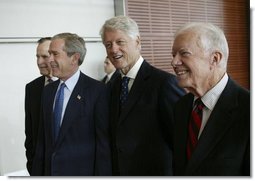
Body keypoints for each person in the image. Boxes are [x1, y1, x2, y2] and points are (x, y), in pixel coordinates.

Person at [99, 16, 185, 176]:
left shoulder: (164, 83)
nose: (113, 50)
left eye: (120, 42)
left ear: (137, 41)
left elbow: (182, 141)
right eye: (108, 45)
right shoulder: (112, 85)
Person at [171, 22, 250, 176]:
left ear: (214, 58)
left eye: (184, 53)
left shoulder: (248, 109)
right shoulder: (181, 107)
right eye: (173, 55)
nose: (174, 62)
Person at [31, 33, 112, 176]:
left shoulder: (98, 91)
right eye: (49, 54)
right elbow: (42, 143)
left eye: (55, 54)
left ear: (74, 58)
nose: (49, 60)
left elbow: (103, 147)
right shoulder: (48, 91)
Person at [24, 37, 57, 175]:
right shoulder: (32, 88)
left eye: (44, 56)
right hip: (39, 169)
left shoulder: (70, 86)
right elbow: (30, 131)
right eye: (37, 56)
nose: (39, 62)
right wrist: (32, 164)